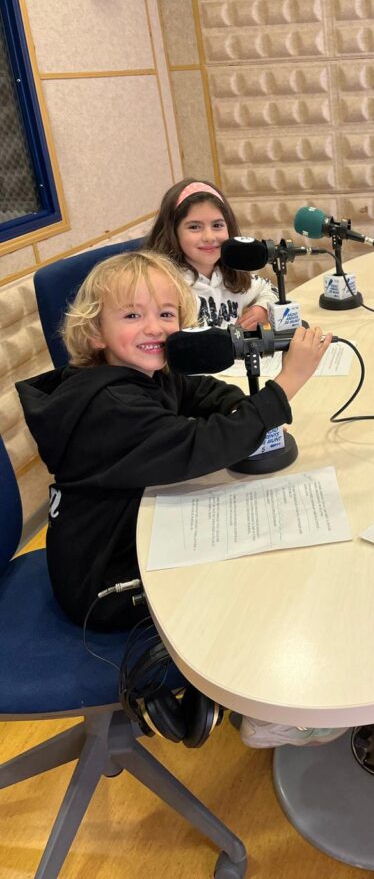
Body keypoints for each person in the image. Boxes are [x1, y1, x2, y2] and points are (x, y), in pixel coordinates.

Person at [16, 250, 330, 632]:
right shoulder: (111, 407)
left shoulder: (142, 371)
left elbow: (195, 390)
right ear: (95, 332)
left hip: (128, 532)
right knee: (254, 582)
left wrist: (238, 406)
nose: (155, 328)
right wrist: (286, 385)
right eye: (133, 316)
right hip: (103, 584)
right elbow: (200, 446)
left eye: (166, 314)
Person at [145, 178, 276, 329]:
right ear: (173, 232)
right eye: (194, 227)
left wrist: (263, 308)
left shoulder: (232, 276)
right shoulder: (160, 283)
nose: (209, 237)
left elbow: (270, 288)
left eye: (217, 225)